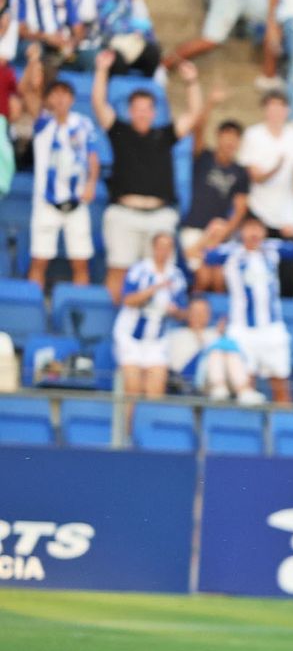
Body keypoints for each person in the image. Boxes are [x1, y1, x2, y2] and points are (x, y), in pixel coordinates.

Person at [93, 51, 204, 302]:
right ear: (130, 111)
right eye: (138, 109)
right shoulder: (119, 131)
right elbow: (99, 104)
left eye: (147, 109)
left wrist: (191, 82)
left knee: (162, 275)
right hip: (123, 214)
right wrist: (101, 70)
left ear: (154, 112)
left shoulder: (165, 135)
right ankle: (116, 323)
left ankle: (156, 323)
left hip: (160, 216)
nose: (142, 113)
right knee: (118, 272)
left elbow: (194, 114)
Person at [204, 215, 293, 403]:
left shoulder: (273, 249)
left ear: (264, 231)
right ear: (241, 231)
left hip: (272, 328)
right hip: (242, 329)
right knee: (245, 387)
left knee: (281, 385)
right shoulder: (231, 252)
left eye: (258, 228)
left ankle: (282, 419)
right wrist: (212, 235)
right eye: (249, 228)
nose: (254, 232)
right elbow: (204, 256)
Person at [238, 89, 293, 297]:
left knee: (288, 276)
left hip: (286, 216)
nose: (275, 112)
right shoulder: (253, 135)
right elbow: (255, 176)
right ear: (265, 110)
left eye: (280, 107)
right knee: (255, 272)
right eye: (271, 107)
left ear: (287, 110)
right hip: (258, 212)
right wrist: (277, 166)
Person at [26, 78, 98, 288]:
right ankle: (34, 304)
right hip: (46, 202)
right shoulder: (42, 122)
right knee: (39, 260)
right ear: (48, 98)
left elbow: (93, 156)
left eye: (64, 94)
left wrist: (91, 183)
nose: (60, 99)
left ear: (72, 99)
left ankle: (79, 305)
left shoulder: (83, 123)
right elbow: (27, 93)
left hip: (77, 201)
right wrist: (33, 66)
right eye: (55, 94)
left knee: (80, 262)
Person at [113, 231, 189, 398]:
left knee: (155, 392)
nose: (164, 251)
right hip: (131, 338)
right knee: (132, 390)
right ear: (153, 248)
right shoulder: (139, 270)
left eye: (168, 247)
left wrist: (175, 311)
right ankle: (128, 416)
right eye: (161, 246)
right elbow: (128, 300)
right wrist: (154, 289)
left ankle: (149, 416)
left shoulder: (176, 276)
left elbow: (183, 312)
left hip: (157, 341)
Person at [181, 103, 251, 283]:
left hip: (218, 233)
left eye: (235, 138)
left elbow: (240, 208)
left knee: (218, 279)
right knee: (202, 277)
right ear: (218, 136)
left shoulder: (240, 173)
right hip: (194, 229)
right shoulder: (203, 157)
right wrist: (210, 104)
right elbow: (198, 129)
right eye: (226, 136)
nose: (230, 142)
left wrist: (226, 231)